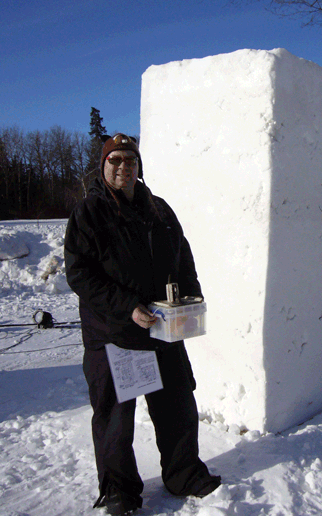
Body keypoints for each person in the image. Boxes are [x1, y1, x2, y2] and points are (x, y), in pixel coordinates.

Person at [64, 134, 220, 515]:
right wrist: (127, 306)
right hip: (114, 334)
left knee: (178, 406)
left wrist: (190, 296)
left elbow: (183, 257)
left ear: (139, 166)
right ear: (103, 166)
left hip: (161, 329)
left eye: (130, 160)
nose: (123, 166)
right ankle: (119, 491)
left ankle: (184, 473)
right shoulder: (89, 213)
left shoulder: (159, 210)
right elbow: (80, 273)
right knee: (115, 421)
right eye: (115, 160)